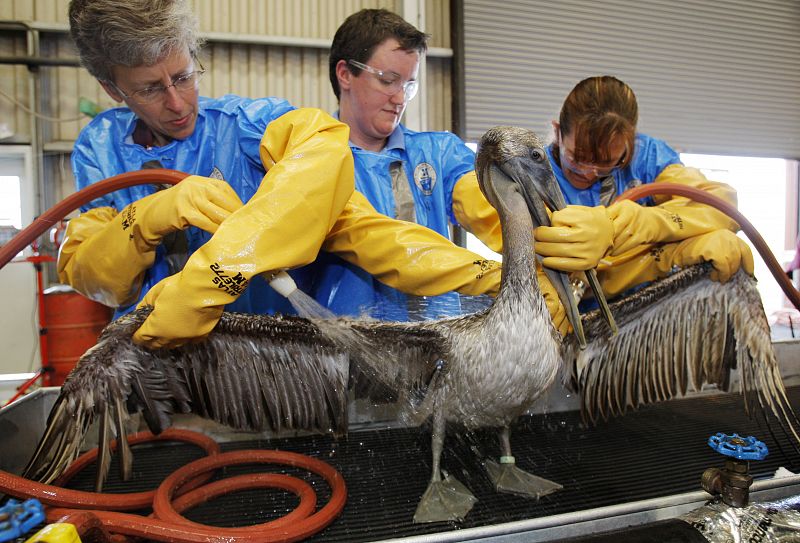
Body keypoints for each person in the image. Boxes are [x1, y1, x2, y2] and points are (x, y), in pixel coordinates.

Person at [60, 0, 562, 349]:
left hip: (263, 360)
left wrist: (512, 271)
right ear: (111, 87)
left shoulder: (247, 127)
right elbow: (94, 278)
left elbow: (354, 206)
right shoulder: (100, 150)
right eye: (150, 89)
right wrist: (147, 217)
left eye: (185, 76)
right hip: (156, 363)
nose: (176, 102)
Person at [316, 8, 540, 321]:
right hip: (341, 350)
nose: (400, 99)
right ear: (345, 74)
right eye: (389, 80)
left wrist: (538, 238)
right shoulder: (315, 158)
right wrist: (485, 274)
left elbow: (483, 202)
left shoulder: (437, 153)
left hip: (436, 348)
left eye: (409, 85)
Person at [530, 75, 754, 300]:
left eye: (606, 165)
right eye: (578, 159)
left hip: (640, 306)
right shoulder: (533, 175)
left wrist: (639, 224)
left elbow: (719, 205)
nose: (589, 172)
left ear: (628, 144)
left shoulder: (648, 158)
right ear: (558, 132)